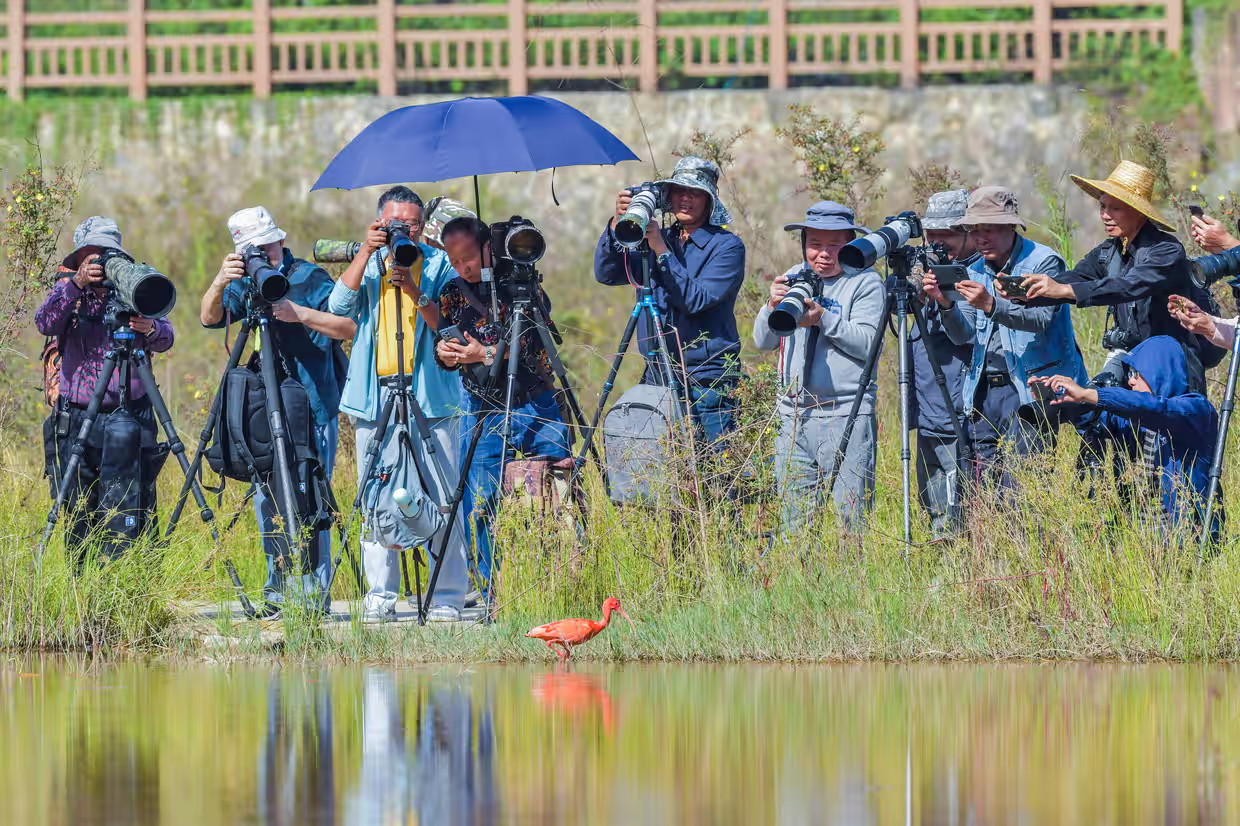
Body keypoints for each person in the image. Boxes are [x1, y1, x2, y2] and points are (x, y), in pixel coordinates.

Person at [200, 206, 354, 616]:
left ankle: (312, 595)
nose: (261, 256)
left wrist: (297, 313)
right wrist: (221, 280)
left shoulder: (308, 277)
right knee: (267, 500)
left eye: (265, 248)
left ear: (279, 240)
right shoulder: (245, 283)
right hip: (265, 409)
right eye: (252, 250)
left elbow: (348, 327)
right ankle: (277, 590)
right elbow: (208, 317)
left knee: (310, 496)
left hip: (313, 406)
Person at [328, 186, 470, 623]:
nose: (402, 231)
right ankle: (380, 596)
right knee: (376, 493)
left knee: (442, 494)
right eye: (394, 223)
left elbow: (450, 325)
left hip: (432, 394)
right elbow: (338, 307)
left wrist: (412, 287)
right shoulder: (369, 264)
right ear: (378, 223)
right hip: (377, 395)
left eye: (409, 223)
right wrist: (365, 254)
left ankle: (446, 596)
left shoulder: (440, 263)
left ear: (422, 225)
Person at [435, 215, 572, 592]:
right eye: (454, 260)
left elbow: (531, 344)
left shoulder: (522, 282)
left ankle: (560, 581)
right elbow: (442, 346)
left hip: (536, 400)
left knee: (556, 487)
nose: (464, 267)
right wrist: (446, 353)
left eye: (470, 257)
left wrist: (485, 353)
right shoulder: (451, 291)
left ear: (487, 248)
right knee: (480, 498)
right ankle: (490, 591)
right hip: (483, 406)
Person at [925, 187, 1088, 487]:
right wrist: (945, 303)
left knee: (1024, 487)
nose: (980, 238)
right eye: (974, 230)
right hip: (984, 391)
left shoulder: (1044, 263)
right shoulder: (974, 270)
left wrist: (990, 304)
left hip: (1029, 390)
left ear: (1011, 226)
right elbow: (964, 336)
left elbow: (1040, 320)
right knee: (981, 487)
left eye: (989, 228)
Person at [36, 216, 174, 567]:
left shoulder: (136, 283)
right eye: (91, 254)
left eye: (106, 253)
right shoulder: (68, 289)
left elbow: (168, 337)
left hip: (132, 414)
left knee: (134, 502)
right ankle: (82, 586)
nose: (99, 261)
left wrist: (151, 326)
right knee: (80, 505)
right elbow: (45, 323)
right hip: (79, 414)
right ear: (80, 256)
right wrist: (76, 285)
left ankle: (137, 580)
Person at [1020, 161, 1219, 384]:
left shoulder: (1167, 250)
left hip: (1171, 369)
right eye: (1102, 206)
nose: (1105, 215)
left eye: (1115, 208)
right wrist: (1025, 291)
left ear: (1139, 212)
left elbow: (1130, 285)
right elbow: (1076, 278)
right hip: (1132, 362)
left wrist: (1065, 289)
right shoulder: (1109, 250)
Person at [593, 156, 746, 447]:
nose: (686, 198)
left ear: (709, 200)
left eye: (695, 192)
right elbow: (607, 274)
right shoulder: (655, 237)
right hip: (658, 375)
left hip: (706, 381)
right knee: (663, 470)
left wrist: (661, 251)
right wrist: (617, 226)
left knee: (714, 473)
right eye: (679, 190)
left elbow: (696, 300)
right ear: (668, 196)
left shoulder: (726, 247)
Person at [753, 201, 885, 534]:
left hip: (846, 414)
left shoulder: (865, 282)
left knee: (850, 525)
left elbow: (869, 344)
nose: (823, 254)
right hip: (792, 418)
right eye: (815, 244)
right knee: (793, 527)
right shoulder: (796, 277)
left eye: (834, 245)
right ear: (803, 243)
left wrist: (824, 319)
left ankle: (853, 586)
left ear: (851, 244)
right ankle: (798, 582)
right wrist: (772, 307)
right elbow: (763, 342)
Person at [1029, 335, 1222, 542]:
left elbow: (1156, 408)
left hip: (1190, 541)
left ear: (1159, 371)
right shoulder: (1133, 420)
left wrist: (1090, 394)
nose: (1130, 381)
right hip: (1143, 543)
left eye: (1137, 374)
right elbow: (1092, 418)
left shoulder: (1197, 410)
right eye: (1130, 374)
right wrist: (1056, 397)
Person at [911, 189, 979, 540]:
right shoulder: (922, 269)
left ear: (969, 232)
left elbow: (964, 335)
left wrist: (945, 300)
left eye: (947, 235)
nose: (938, 244)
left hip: (958, 409)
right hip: (926, 407)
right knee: (931, 503)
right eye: (931, 235)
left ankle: (958, 568)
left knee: (960, 511)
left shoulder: (977, 273)